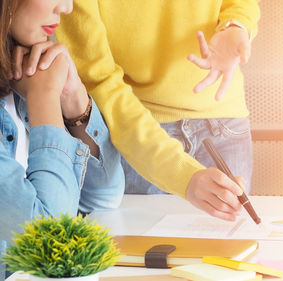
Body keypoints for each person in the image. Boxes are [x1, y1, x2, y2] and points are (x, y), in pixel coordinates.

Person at [53, 1, 260, 221]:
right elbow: (98, 80)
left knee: (230, 247)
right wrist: (183, 175)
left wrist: (236, 25)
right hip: (137, 133)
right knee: (141, 250)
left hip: (223, 125)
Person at [0, 0, 124, 279]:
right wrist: (44, 97)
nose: (67, 8)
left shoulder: (25, 69)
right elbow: (49, 239)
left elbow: (103, 198)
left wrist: (74, 98)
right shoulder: (36, 86)